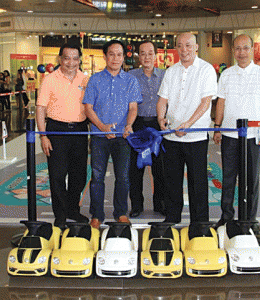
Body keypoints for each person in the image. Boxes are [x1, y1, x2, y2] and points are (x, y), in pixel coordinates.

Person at [213, 34, 260, 233]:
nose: (241, 52)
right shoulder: (226, 74)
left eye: (245, 48)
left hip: (253, 136)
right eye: (238, 48)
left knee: (252, 179)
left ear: (251, 50)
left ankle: (250, 219)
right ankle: (226, 216)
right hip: (230, 135)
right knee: (229, 177)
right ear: (233, 50)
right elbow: (221, 101)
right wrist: (217, 126)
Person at [157, 32, 217, 224]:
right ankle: (172, 218)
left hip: (195, 137)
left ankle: (200, 223)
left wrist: (188, 125)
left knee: (197, 182)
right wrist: (160, 118)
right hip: (171, 136)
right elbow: (162, 99)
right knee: (172, 181)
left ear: (196, 47)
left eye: (188, 45)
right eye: (180, 46)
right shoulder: (171, 71)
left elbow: (206, 102)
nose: (184, 50)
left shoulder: (206, 70)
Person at [83, 40, 142, 229]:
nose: (115, 58)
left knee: (123, 177)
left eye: (119, 54)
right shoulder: (95, 79)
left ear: (124, 57)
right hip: (100, 137)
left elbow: (133, 107)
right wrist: (102, 127)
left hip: (123, 138)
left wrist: (129, 125)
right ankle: (97, 215)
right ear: (105, 56)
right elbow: (88, 108)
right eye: (111, 54)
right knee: (97, 177)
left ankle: (121, 213)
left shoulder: (131, 81)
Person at [36, 42, 89, 230]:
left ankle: (73, 210)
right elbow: (40, 108)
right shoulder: (50, 80)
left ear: (80, 59)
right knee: (57, 175)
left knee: (79, 175)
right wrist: (43, 136)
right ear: (60, 59)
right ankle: (60, 215)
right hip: (56, 130)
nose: (71, 62)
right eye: (67, 58)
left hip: (80, 130)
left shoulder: (85, 79)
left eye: (75, 58)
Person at [128, 41, 166, 218]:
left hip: (159, 126)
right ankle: (136, 205)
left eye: (150, 53)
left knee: (160, 168)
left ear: (156, 55)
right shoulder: (131, 76)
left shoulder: (165, 75)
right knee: (136, 169)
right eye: (142, 53)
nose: (146, 57)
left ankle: (160, 204)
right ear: (138, 56)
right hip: (138, 125)